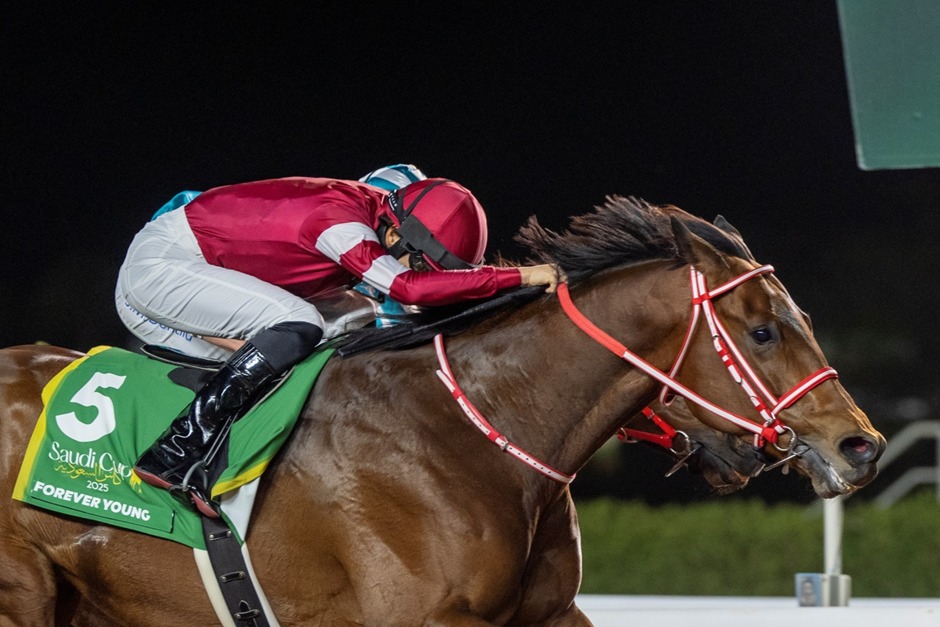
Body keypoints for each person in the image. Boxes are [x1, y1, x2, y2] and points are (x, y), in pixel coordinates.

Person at [115, 173, 561, 517]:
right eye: (423, 264)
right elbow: (408, 288)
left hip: (204, 262)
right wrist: (521, 275)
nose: (425, 274)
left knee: (355, 318)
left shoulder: (380, 212)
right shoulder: (340, 224)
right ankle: (176, 451)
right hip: (162, 266)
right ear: (394, 236)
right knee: (299, 322)